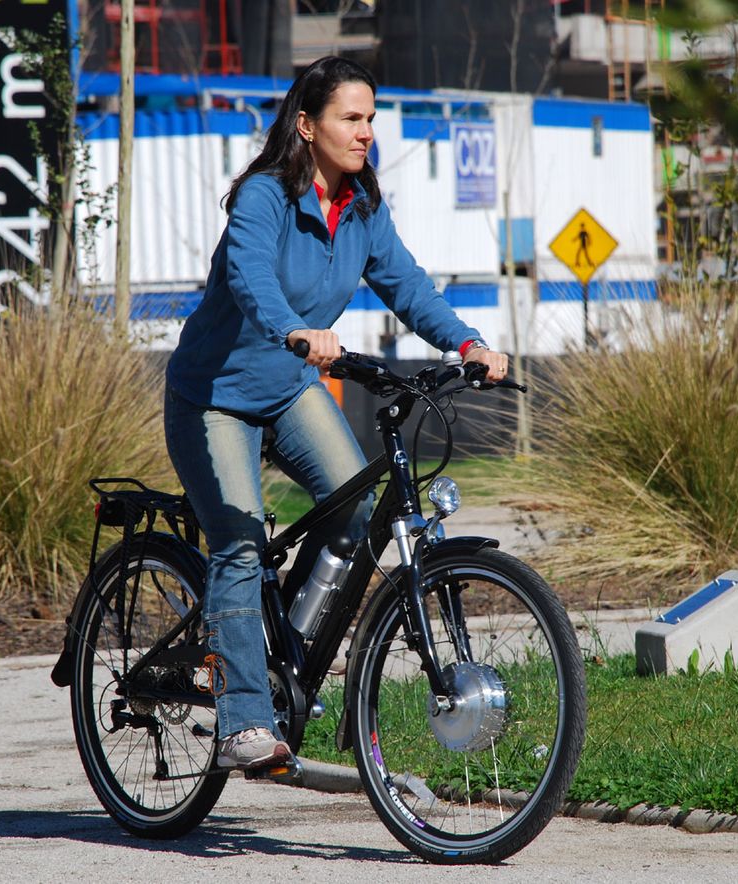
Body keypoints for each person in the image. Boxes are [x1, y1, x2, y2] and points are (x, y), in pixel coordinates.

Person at [164, 55, 509, 771]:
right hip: (214, 396)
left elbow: (406, 284)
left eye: (371, 119)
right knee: (237, 541)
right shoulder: (264, 196)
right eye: (351, 119)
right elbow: (250, 276)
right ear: (306, 125)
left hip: (287, 390)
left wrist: (467, 342)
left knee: (355, 516)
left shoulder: (360, 207)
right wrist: (296, 329)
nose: (366, 133)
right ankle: (244, 721)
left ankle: (274, 648)